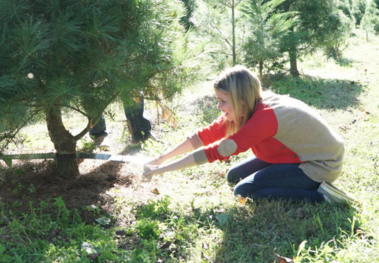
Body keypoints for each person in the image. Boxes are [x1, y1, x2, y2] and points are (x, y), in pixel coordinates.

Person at [143, 65, 355, 204]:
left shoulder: (263, 119)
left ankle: (321, 197)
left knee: (243, 191)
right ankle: (293, 180)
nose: (219, 106)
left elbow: (216, 151)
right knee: (232, 175)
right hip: (295, 156)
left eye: (223, 101)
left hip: (320, 164)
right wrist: (160, 159)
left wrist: (163, 170)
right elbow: (204, 136)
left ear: (240, 100)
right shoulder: (248, 107)